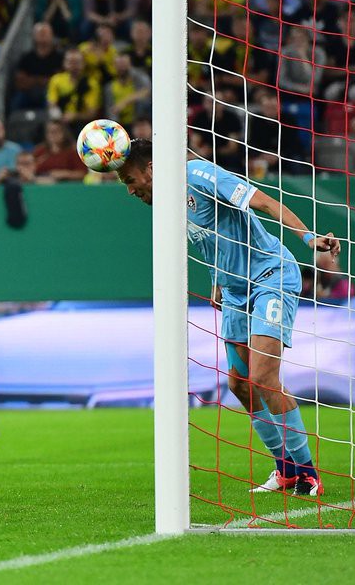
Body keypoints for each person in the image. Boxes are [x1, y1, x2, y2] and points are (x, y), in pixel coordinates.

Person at [117, 138, 340, 496]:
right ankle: (285, 469)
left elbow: (263, 202)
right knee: (239, 384)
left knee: (263, 377)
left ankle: (308, 473)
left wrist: (309, 238)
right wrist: (218, 281)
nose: (129, 190)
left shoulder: (197, 174)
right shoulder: (169, 204)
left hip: (270, 277)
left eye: (130, 179)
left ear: (152, 169)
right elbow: (214, 240)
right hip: (235, 291)